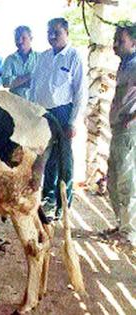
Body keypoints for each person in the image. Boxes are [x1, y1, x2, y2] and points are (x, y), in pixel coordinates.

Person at [30, 17, 87, 220]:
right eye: (49, 32)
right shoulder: (43, 57)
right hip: (43, 114)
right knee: (46, 158)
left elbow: (80, 93)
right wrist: (34, 113)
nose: (52, 36)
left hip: (63, 113)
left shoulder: (74, 57)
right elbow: (35, 87)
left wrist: (72, 122)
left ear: (67, 33)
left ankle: (64, 203)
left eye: (57, 32)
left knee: (64, 160)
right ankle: (49, 199)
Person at [106, 21, 136, 246]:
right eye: (115, 40)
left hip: (128, 131)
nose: (115, 45)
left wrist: (131, 119)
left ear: (134, 43)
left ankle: (129, 231)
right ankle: (122, 224)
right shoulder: (124, 65)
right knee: (114, 181)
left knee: (126, 182)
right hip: (118, 130)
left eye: (121, 41)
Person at [2, 26, 39, 100]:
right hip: (15, 104)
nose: (19, 41)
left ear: (31, 38)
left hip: (36, 104)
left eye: (23, 38)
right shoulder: (9, 60)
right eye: (17, 38)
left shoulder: (40, 58)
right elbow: (6, 83)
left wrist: (17, 82)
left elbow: (42, 81)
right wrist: (29, 76)